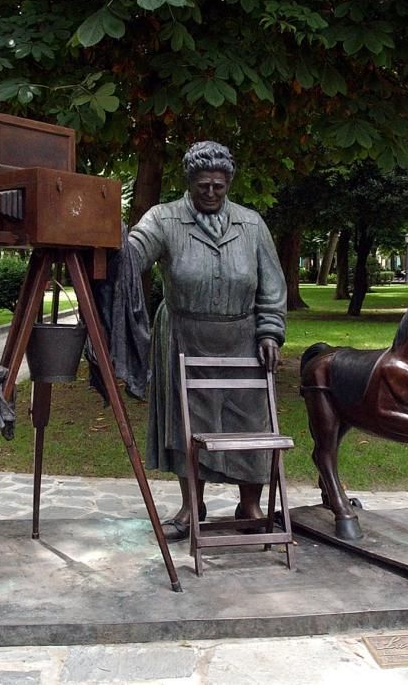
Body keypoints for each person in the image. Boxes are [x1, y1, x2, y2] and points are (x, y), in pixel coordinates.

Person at [128, 141, 287, 541]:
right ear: (190, 182)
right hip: (185, 336)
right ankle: (190, 506)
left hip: (243, 339)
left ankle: (250, 503)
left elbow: (272, 286)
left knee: (250, 424)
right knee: (188, 423)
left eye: (218, 185)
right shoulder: (164, 219)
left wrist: (270, 331)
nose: (211, 193)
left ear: (229, 182)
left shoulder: (251, 225)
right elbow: (131, 255)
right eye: (203, 186)